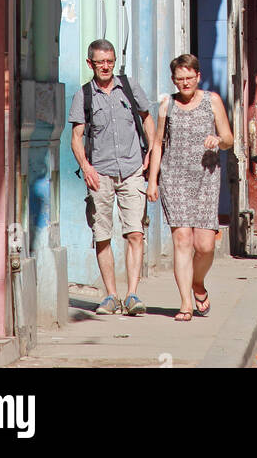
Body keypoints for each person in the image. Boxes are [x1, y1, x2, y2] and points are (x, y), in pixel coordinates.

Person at [69, 39, 156, 317]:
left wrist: (151, 152)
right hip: (100, 174)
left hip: (132, 170)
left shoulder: (128, 87)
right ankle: (110, 295)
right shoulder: (83, 96)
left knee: (135, 233)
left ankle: (132, 295)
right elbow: (76, 138)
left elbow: (147, 118)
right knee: (102, 234)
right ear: (90, 64)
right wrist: (86, 167)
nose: (106, 66)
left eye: (110, 61)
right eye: (100, 62)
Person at [147, 53, 234, 321]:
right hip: (174, 178)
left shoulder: (213, 101)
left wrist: (218, 140)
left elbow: (229, 139)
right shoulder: (167, 106)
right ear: (174, 80)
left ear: (198, 76)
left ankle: (198, 283)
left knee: (205, 245)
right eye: (179, 79)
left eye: (189, 78)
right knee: (182, 240)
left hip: (206, 177)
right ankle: (185, 303)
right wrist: (153, 180)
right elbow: (159, 143)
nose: (184, 83)